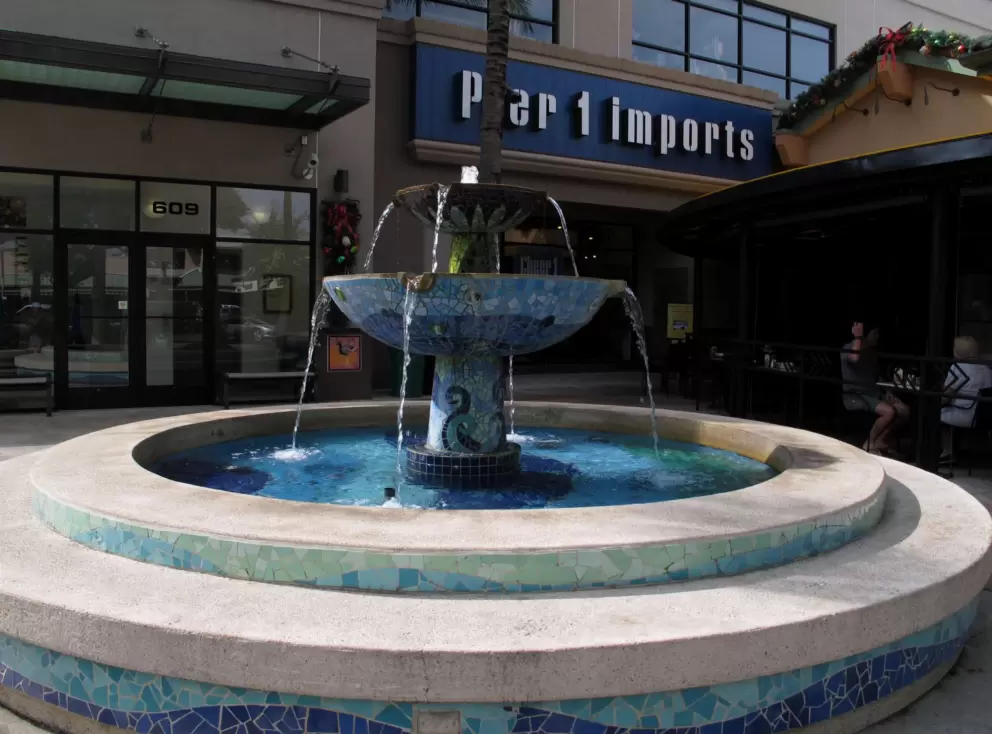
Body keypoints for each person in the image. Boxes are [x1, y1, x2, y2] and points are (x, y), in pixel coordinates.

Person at [841, 322, 910, 454]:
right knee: (889, 412)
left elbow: (877, 376)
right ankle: (869, 443)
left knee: (905, 411)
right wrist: (858, 337)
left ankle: (881, 439)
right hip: (857, 394)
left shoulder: (871, 353)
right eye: (875, 333)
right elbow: (854, 358)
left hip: (875, 392)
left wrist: (888, 391)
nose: (878, 337)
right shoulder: (848, 347)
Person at [940, 336, 992, 458]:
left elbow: (946, 397)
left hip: (966, 414)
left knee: (932, 414)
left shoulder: (958, 367)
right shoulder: (987, 369)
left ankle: (947, 451)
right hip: (986, 417)